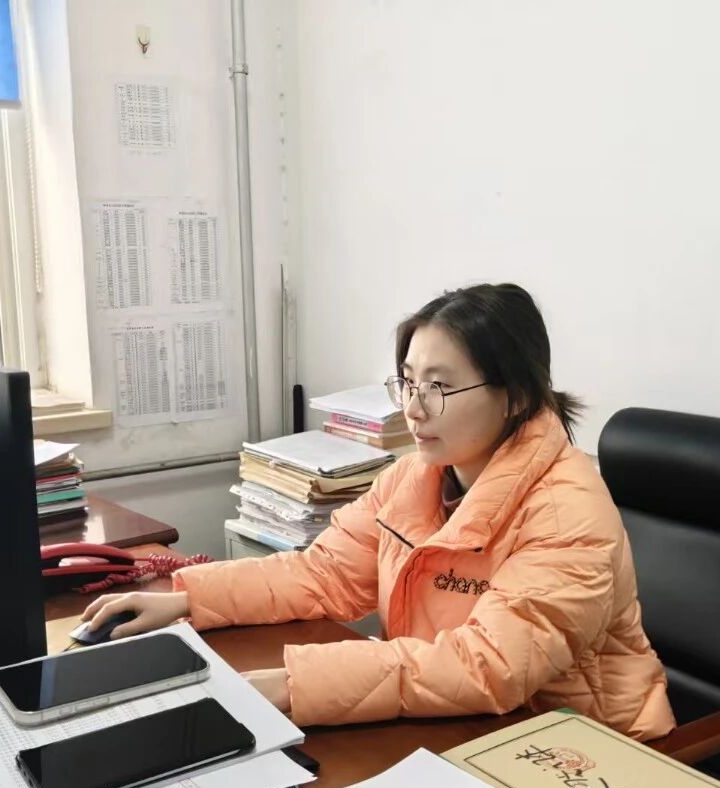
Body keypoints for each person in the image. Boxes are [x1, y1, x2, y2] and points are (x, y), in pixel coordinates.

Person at [83, 283, 675, 739]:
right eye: (408, 382)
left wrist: (292, 685)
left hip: (585, 755)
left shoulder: (567, 513)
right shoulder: (416, 477)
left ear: (515, 397)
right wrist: (188, 598)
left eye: (439, 387)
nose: (413, 409)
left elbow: (488, 666)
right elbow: (322, 574)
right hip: (461, 730)